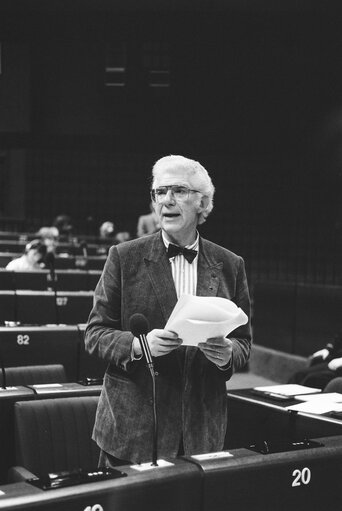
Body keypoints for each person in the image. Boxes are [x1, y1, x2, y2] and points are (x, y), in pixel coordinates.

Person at [85, 154, 252, 466]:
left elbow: (244, 344)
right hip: (132, 432)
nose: (166, 201)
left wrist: (228, 353)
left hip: (200, 433)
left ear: (203, 203)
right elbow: (95, 334)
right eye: (159, 192)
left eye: (179, 191)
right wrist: (138, 345)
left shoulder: (231, 264)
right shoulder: (124, 257)